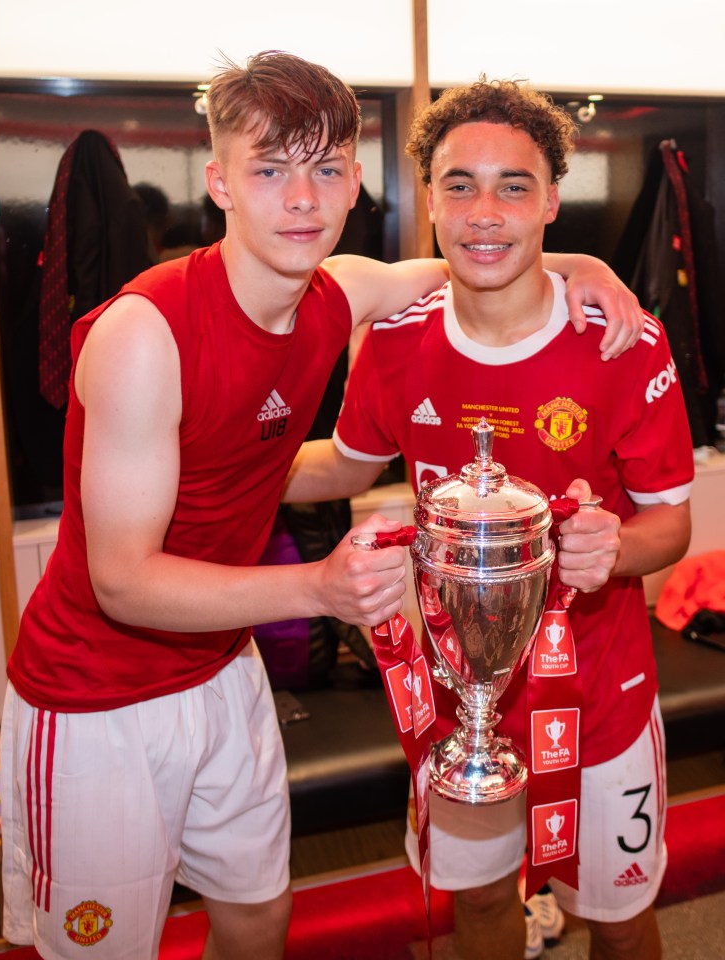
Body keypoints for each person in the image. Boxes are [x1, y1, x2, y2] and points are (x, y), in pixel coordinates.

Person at [0, 51, 646, 960]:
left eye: (327, 170)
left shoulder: (332, 293)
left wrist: (586, 264)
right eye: (270, 170)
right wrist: (319, 590)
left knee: (260, 918)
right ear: (220, 183)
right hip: (96, 697)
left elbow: (472, 258)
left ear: (352, 190)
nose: (301, 198)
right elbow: (123, 582)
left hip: (221, 670)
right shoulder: (144, 334)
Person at [284, 78, 694, 960]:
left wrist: (617, 548)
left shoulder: (624, 341)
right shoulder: (394, 343)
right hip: (455, 696)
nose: (484, 211)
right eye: (459, 184)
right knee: (476, 913)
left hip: (600, 693)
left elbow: (673, 527)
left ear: (551, 199)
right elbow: (345, 466)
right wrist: (204, 467)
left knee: (617, 925)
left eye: (514, 185)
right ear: (429, 197)